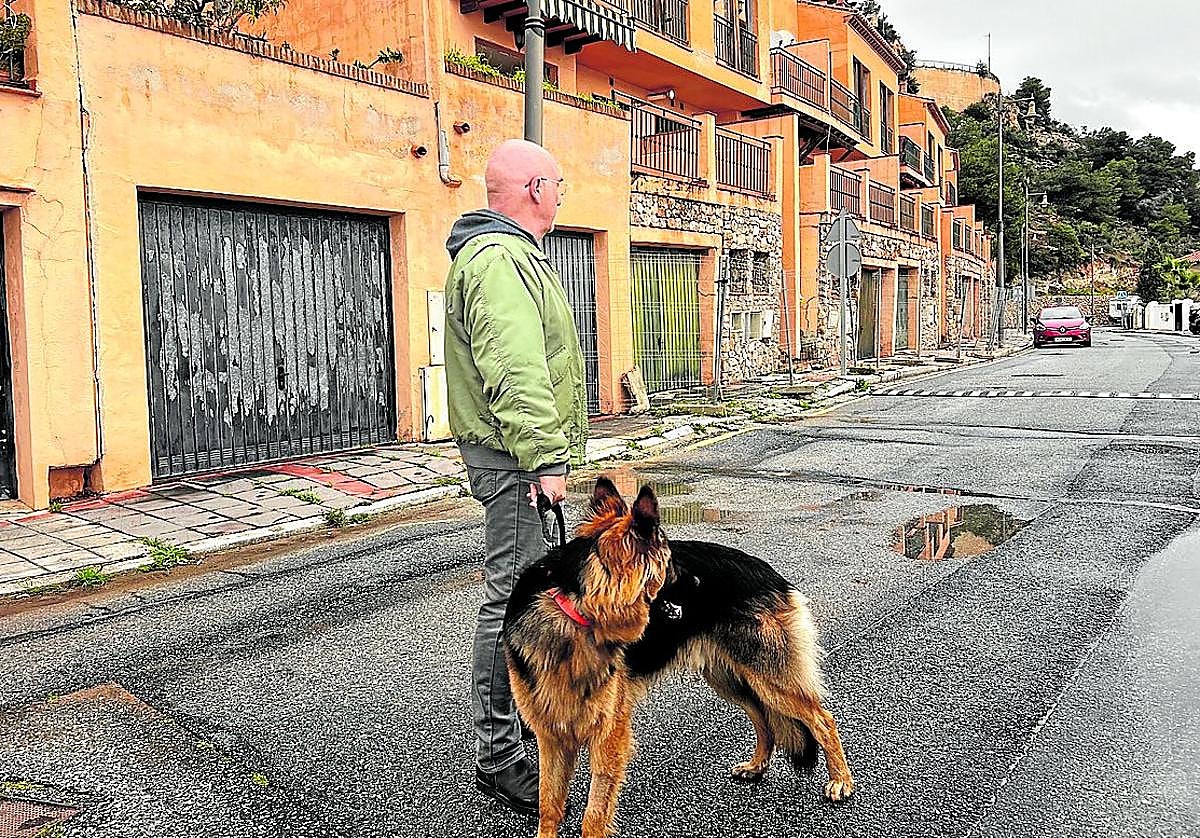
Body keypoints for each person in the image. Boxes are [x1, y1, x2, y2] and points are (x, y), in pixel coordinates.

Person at [443, 139, 588, 815]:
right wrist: (543, 459)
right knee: (511, 601)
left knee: (523, 598)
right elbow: (515, 368)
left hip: (514, 457)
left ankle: (513, 740)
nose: (561, 193)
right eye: (556, 183)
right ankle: (499, 759)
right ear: (534, 189)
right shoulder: (500, 261)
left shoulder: (508, 256)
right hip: (514, 463)